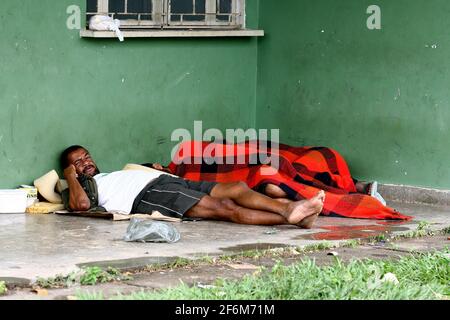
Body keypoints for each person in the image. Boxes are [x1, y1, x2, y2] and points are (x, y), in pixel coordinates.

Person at [60, 145, 325, 229]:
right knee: (225, 208)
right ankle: (289, 217)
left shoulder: (108, 174)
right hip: (150, 196)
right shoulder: (76, 187)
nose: (86, 162)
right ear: (70, 169)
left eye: (86, 156)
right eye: (78, 162)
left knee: (236, 187)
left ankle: (290, 209)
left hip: (165, 182)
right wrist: (71, 176)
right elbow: (81, 206)